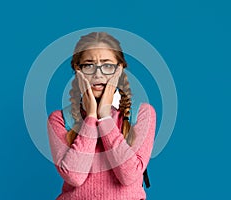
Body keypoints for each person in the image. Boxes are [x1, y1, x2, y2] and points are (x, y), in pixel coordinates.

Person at [47, 32, 156, 200]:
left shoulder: (142, 113)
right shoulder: (60, 120)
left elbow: (128, 176)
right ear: (78, 70)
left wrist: (105, 116)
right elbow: (75, 176)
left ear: (119, 69)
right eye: (89, 65)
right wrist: (91, 117)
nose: (98, 74)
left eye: (107, 65)